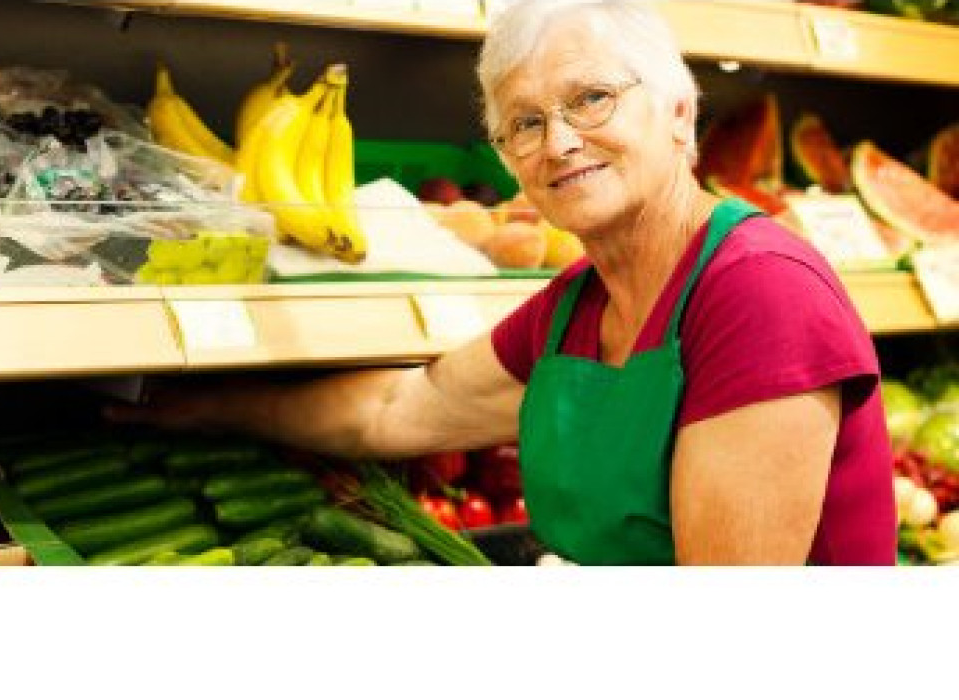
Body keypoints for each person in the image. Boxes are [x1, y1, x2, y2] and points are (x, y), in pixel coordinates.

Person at [108, 0, 897, 565]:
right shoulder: (578, 306)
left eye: (592, 98)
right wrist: (200, 408)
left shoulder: (759, 293)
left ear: (680, 114)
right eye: (524, 122)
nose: (559, 142)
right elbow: (398, 408)